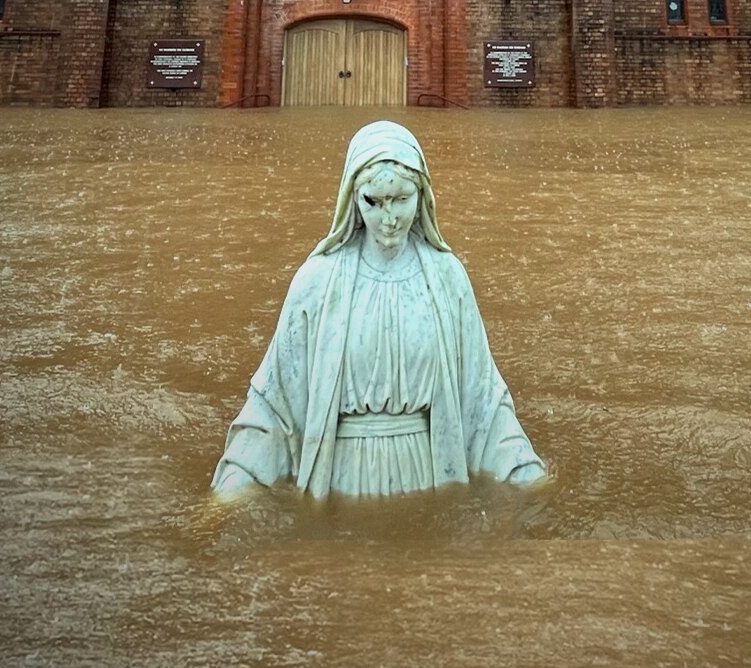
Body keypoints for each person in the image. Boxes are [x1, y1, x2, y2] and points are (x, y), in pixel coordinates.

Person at [212, 120, 547, 497]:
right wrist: (236, 481)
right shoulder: (317, 282)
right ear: (353, 199)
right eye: (374, 201)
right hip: (342, 481)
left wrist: (524, 472)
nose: (389, 219)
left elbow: (482, 398)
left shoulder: (447, 277)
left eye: (402, 199)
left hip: (427, 477)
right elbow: (276, 402)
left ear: (423, 196)